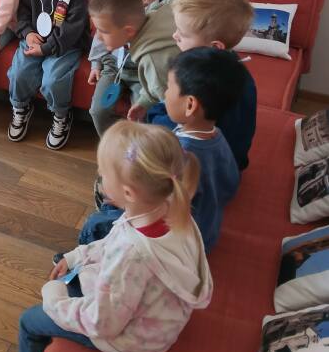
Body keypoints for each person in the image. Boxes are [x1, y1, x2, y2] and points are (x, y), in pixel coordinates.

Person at [0, 120, 212, 352]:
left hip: (134, 340)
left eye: (103, 174)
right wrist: (76, 256)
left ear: (128, 192)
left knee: (30, 321)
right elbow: (114, 239)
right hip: (155, 312)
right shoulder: (166, 207)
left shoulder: (131, 256)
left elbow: (102, 324)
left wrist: (54, 299)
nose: (100, 178)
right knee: (72, 273)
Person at [81, 48, 245, 253]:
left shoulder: (179, 152)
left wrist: (124, 201)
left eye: (169, 88)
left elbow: (152, 204)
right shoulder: (218, 137)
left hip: (173, 241)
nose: (164, 94)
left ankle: (85, 260)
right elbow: (231, 185)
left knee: (96, 224)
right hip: (206, 233)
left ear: (190, 105)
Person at [147, 0, 256, 170]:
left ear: (214, 47)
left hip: (206, 166)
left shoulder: (202, 82)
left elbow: (174, 124)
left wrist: (150, 116)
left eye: (183, 34)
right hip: (233, 160)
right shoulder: (237, 68)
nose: (175, 36)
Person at [7, 0, 90, 151]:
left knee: (53, 79)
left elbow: (72, 30)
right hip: (35, 38)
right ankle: (21, 107)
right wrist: (27, 33)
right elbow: (23, 11)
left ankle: (61, 115)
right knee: (19, 72)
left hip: (64, 45)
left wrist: (46, 48)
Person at [89, 0, 178, 136]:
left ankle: (138, 148)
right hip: (114, 65)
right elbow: (102, 31)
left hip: (142, 71)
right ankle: (112, 145)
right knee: (98, 111)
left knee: (142, 118)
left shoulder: (171, 4)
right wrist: (96, 63)